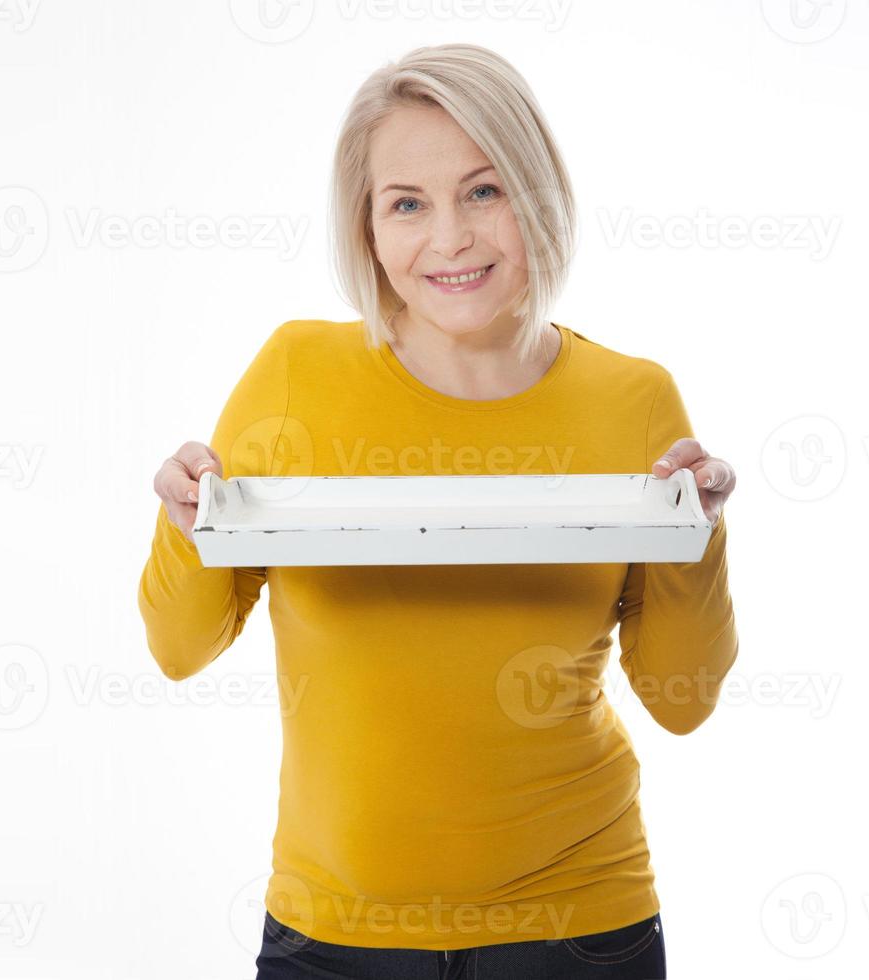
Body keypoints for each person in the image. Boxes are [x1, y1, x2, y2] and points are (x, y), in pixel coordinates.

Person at [137, 43, 738, 979]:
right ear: (367, 228)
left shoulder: (633, 401)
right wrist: (181, 526)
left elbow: (683, 700)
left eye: (484, 191)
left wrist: (695, 535)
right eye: (406, 204)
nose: (449, 237)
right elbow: (179, 649)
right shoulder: (296, 373)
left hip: (578, 929)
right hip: (330, 939)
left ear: (536, 196)